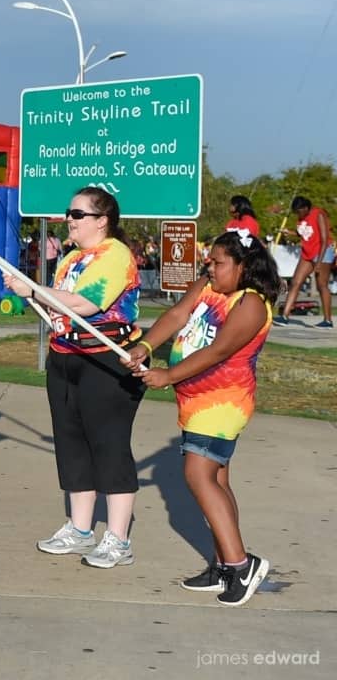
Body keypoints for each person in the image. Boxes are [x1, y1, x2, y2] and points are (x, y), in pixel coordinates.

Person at [124, 230, 277, 606]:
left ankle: (241, 565)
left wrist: (168, 375)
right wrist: (145, 346)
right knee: (218, 480)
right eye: (209, 260)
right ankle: (223, 562)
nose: (209, 267)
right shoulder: (210, 285)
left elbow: (220, 350)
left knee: (198, 474)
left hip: (222, 402)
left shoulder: (251, 303)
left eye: (218, 262)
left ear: (244, 267)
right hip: (196, 401)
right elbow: (178, 313)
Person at [4, 187, 145, 568]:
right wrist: (28, 293)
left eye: (78, 214)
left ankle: (118, 538)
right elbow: (56, 308)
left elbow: (87, 304)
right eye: (69, 212)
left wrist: (33, 287)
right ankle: (80, 529)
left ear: (102, 221)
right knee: (71, 442)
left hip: (106, 361)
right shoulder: (69, 258)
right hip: (65, 357)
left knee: (109, 445)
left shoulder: (116, 255)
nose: (70, 219)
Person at [276, 196, 332, 327]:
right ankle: (284, 316)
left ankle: (328, 320)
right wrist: (289, 232)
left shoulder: (318, 214)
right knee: (296, 282)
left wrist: (318, 263)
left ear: (306, 208)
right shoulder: (301, 217)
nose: (298, 214)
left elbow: (324, 239)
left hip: (322, 252)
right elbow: (305, 233)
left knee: (321, 285)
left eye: (299, 211)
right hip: (307, 253)